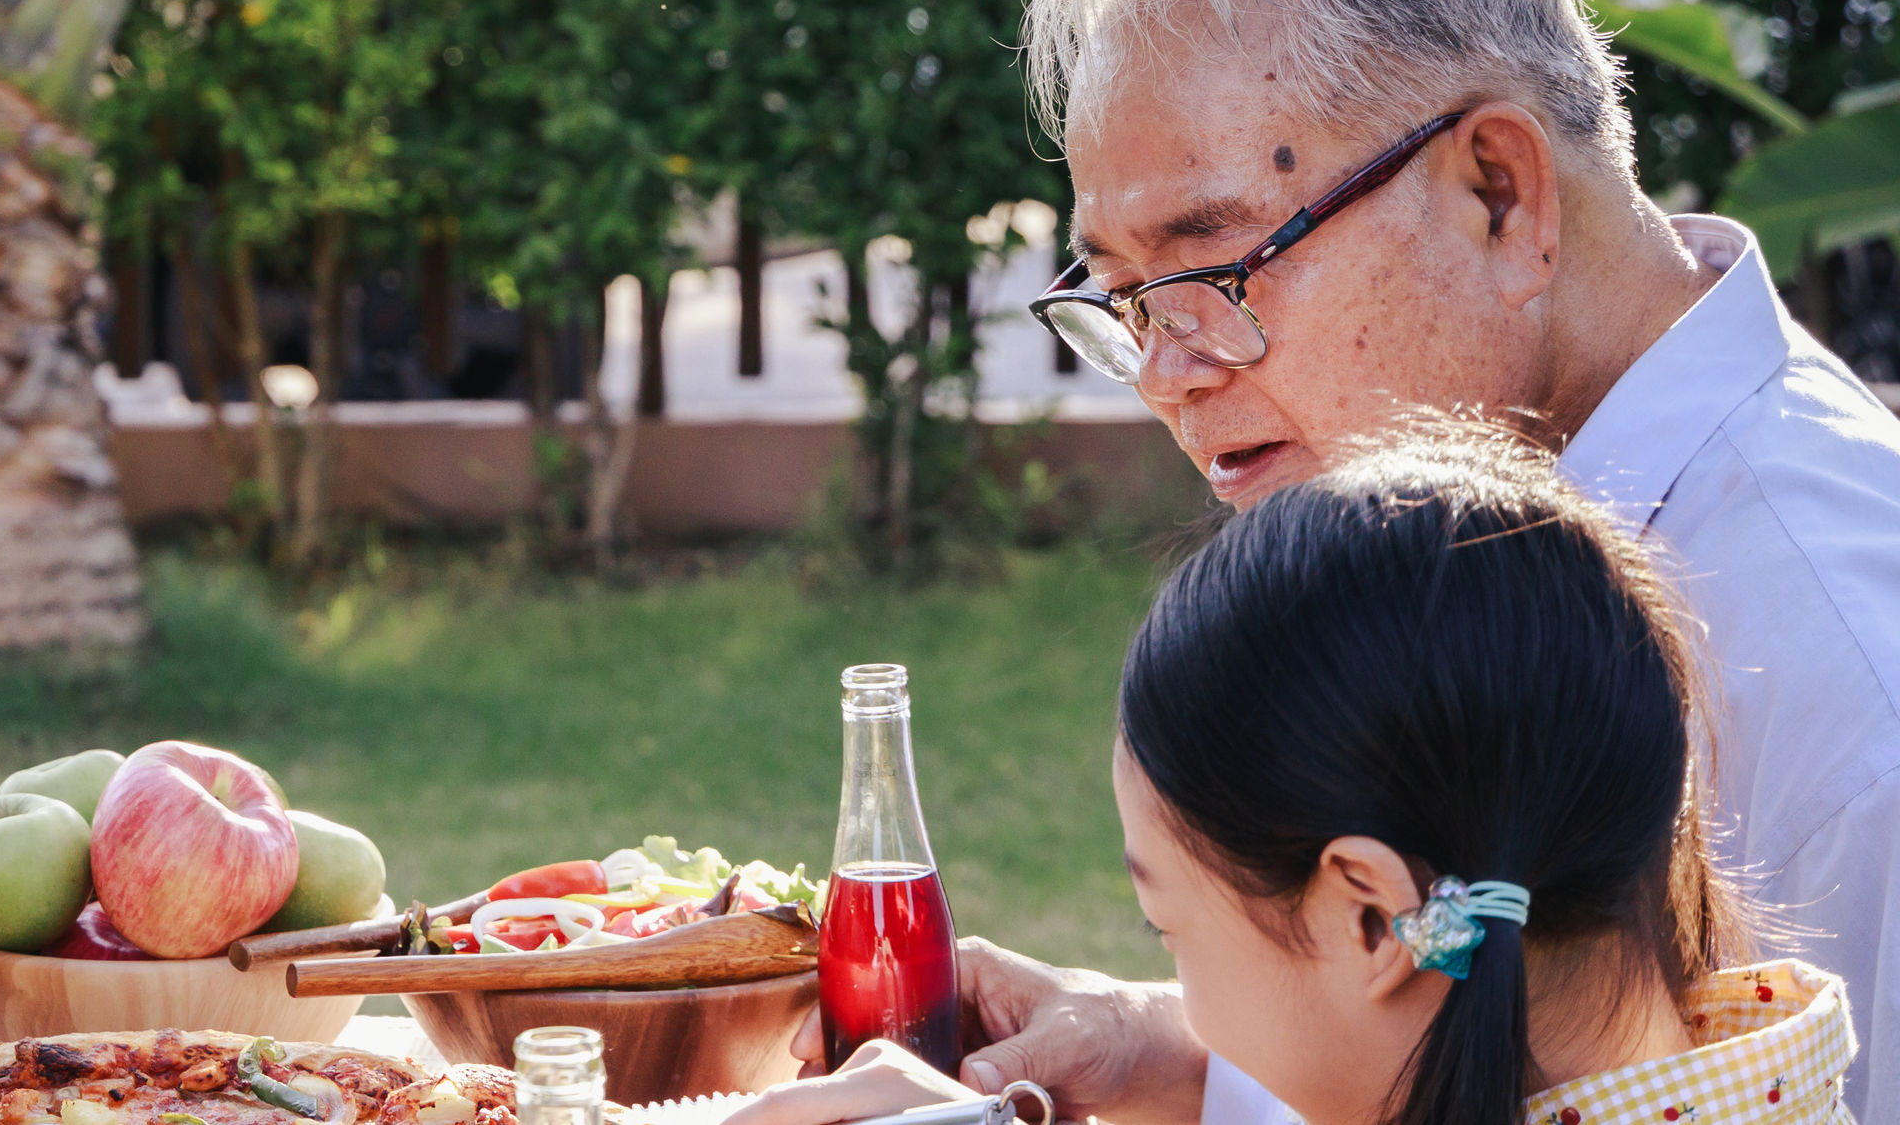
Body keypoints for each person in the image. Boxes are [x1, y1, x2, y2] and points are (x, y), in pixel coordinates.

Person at [986, 0, 1900, 1125]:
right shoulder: (1479, 563)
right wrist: (1187, 1054)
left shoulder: (1849, 677)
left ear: (1498, 189)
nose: (1168, 374)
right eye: (1121, 300)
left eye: (1217, 266)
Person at [731, 427, 1855, 1125]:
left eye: (1166, 932)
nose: (1175, 986)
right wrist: (1142, 1048)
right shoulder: (1741, 1067)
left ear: (1372, 917)